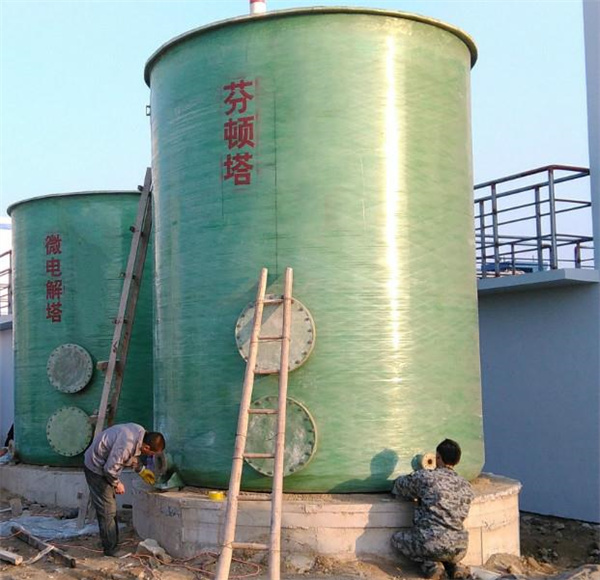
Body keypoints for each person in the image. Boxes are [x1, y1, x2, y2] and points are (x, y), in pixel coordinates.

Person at [391, 439, 474, 580]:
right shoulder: (467, 486)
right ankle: (455, 566)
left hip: (430, 544)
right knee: (444, 548)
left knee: (397, 539)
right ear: (457, 461)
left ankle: (432, 566)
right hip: (459, 547)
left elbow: (399, 486)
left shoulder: (426, 477)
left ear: (438, 457)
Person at [84, 423, 165, 556]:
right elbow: (110, 469)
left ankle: (108, 539)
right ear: (146, 447)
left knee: (108, 506)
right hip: (96, 466)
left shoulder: (140, 431)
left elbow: (130, 455)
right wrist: (117, 484)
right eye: (152, 453)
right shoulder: (126, 444)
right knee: (107, 509)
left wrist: (141, 469)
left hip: (104, 460)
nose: (151, 456)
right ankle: (110, 549)